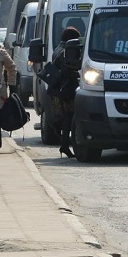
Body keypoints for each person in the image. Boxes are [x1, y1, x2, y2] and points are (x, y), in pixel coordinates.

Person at [51, 27, 82, 158]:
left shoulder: (58, 49)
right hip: (65, 89)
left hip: (57, 89)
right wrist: (78, 74)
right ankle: (64, 145)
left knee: (64, 117)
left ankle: (64, 145)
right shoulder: (66, 51)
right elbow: (66, 70)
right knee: (68, 117)